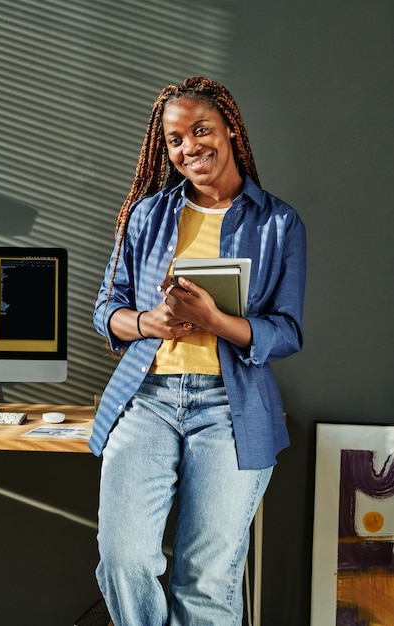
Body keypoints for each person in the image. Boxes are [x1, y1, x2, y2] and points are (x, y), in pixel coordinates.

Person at [90, 76, 306, 626]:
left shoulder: (278, 223)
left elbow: (285, 331)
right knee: (124, 560)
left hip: (230, 410)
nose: (189, 148)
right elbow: (105, 310)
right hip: (148, 402)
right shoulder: (146, 216)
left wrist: (216, 321)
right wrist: (147, 321)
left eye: (201, 130)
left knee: (204, 579)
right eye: (175, 139)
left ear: (230, 128)